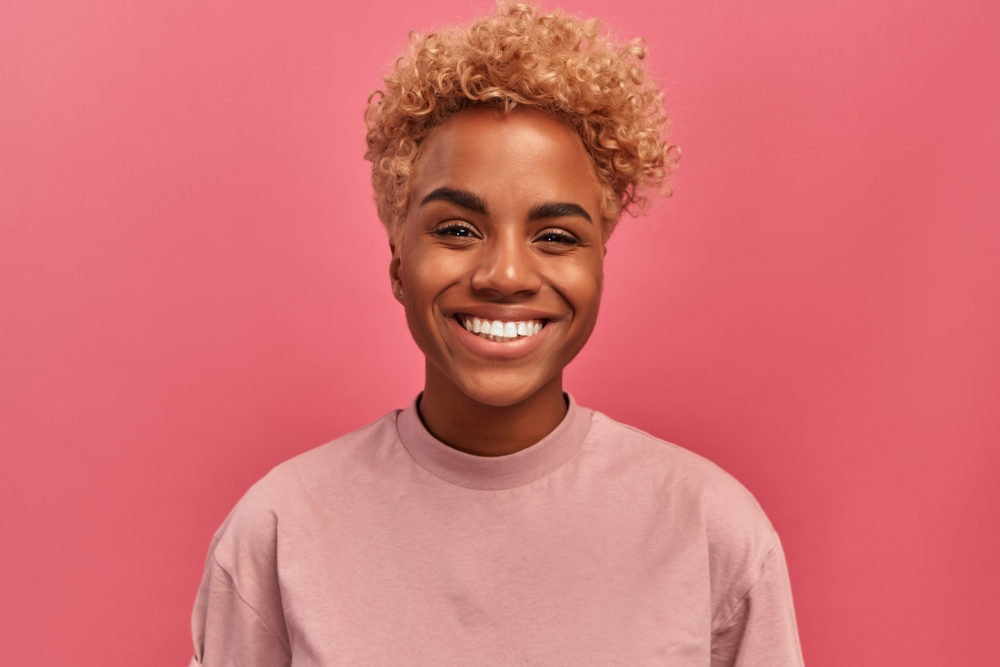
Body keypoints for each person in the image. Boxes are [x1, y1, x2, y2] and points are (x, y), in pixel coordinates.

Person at [188, 2, 804, 665]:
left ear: (599, 263)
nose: (505, 274)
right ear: (400, 260)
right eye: (457, 228)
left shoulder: (713, 532)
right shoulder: (279, 532)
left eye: (556, 236)